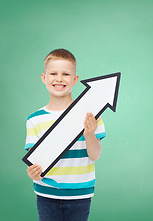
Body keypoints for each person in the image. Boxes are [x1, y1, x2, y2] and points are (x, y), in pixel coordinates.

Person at [25, 48, 106, 221]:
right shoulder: (34, 120)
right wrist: (32, 172)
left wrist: (90, 134)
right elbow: (34, 162)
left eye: (66, 74)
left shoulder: (91, 115)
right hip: (46, 193)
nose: (59, 79)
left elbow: (95, 155)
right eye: (53, 73)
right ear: (44, 78)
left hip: (80, 194)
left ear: (75, 79)